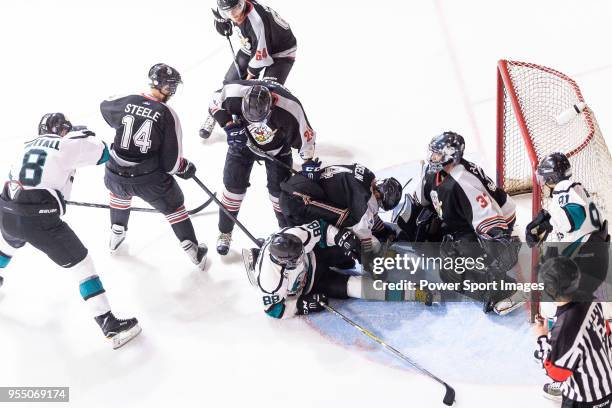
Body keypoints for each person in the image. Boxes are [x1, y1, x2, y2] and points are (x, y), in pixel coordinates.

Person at [0, 113, 140, 349]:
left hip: (7, 213)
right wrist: (85, 136)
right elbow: (105, 153)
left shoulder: (27, 144)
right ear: (63, 129)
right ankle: (108, 323)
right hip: (39, 220)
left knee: (6, 246)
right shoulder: (67, 142)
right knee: (82, 265)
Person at [100, 64, 207, 269]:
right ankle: (193, 250)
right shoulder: (167, 114)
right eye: (169, 86)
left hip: (115, 174)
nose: (171, 91)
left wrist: (123, 121)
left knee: (119, 193)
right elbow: (171, 163)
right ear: (159, 85)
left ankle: (116, 236)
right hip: (148, 180)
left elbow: (105, 105)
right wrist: (184, 168)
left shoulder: (126, 100)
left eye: (173, 87)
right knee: (174, 207)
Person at [527, 152, 610, 400]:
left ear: (550, 177)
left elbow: (570, 217)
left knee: (565, 314)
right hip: (597, 254)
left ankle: (562, 360)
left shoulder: (562, 192)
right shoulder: (575, 187)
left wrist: (550, 222)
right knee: (584, 311)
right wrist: (549, 218)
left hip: (587, 261)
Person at [416, 131, 521, 314]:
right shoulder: (435, 173)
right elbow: (420, 200)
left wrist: (497, 254)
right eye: (432, 153)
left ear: (451, 156)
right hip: (464, 219)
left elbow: (491, 220)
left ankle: (504, 289)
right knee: (424, 223)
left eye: (438, 154)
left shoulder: (463, 181)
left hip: (498, 222)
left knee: (453, 270)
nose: (432, 157)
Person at [207, 80, 315, 255]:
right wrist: (229, 126)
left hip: (277, 151)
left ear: (271, 107)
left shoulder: (290, 108)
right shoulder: (234, 93)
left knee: (279, 194)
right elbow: (214, 103)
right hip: (242, 144)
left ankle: (286, 232)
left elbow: (306, 142)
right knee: (233, 189)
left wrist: (309, 165)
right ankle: (225, 232)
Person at [243, 220, 432, 319]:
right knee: (358, 288)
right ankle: (412, 293)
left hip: (317, 255)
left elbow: (322, 229)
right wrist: (301, 306)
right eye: (295, 259)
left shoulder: (295, 236)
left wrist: (341, 238)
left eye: (299, 252)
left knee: (365, 248)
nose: (299, 257)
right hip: (313, 286)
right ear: (281, 262)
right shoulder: (269, 280)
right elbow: (274, 310)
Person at [200, 0, 297, 138]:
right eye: (228, 11)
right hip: (252, 44)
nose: (233, 15)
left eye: (237, 8)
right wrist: (220, 19)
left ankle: (262, 130)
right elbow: (222, 8)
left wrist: (248, 79)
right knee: (230, 82)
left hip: (281, 52)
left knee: (266, 94)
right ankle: (217, 113)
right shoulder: (230, 8)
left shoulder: (257, 21)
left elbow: (261, 57)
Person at [535, 256, 612, 407]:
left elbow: (555, 373)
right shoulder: (590, 299)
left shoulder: (565, 328)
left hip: (584, 398)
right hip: (606, 382)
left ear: (550, 291)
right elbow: (607, 332)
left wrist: (541, 337)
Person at [279, 163, 402, 257]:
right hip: (296, 204)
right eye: (380, 204)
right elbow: (363, 238)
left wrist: (382, 230)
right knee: (349, 231)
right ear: (380, 196)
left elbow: (367, 211)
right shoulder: (366, 201)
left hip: (296, 186)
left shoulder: (366, 174)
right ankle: (322, 255)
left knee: (350, 216)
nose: (378, 205)